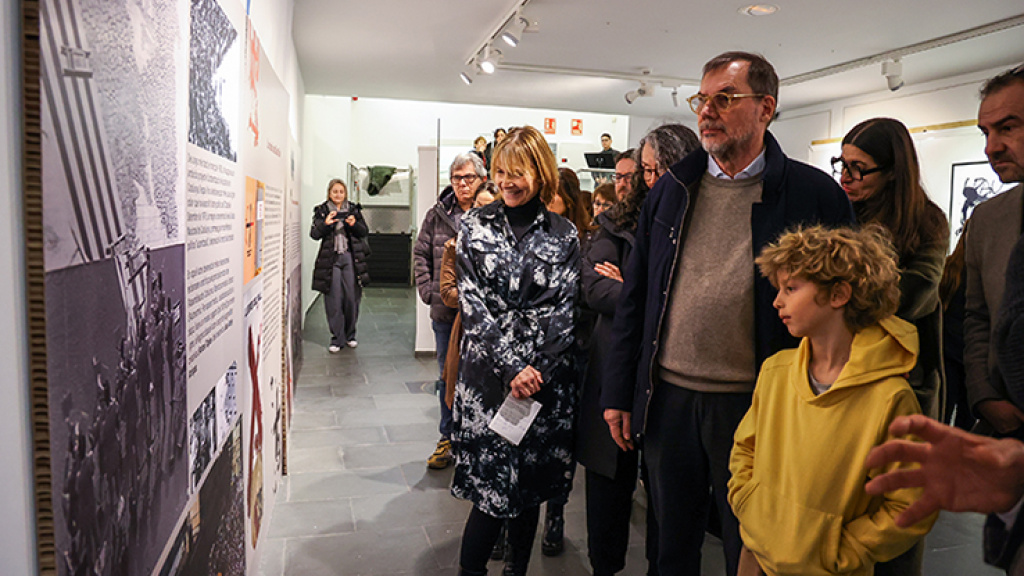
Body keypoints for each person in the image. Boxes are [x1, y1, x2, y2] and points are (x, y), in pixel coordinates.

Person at [601, 51, 855, 576]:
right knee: (670, 546)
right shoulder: (672, 190)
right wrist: (620, 393)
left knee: (755, 547)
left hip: (759, 404)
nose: (707, 111)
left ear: (766, 108)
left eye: (725, 98)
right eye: (701, 99)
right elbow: (637, 299)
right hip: (669, 400)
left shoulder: (814, 195)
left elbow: (847, 312)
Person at [730, 224, 936, 576]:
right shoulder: (775, 373)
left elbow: (912, 501)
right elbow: (744, 450)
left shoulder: (889, 399)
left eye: (791, 288)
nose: (776, 301)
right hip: (757, 558)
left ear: (839, 294)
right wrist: (752, 507)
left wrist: (847, 550)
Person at [452, 125, 581, 576]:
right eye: (501, 171)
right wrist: (512, 368)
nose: (507, 181)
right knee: (488, 495)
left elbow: (565, 313)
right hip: (489, 382)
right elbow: (472, 306)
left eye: (518, 172)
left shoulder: (564, 234)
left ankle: (516, 572)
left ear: (540, 172)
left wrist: (535, 371)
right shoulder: (473, 226)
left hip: (542, 387)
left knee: (528, 491)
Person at [578, 123, 699, 576]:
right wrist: (651, 295)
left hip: (667, 380)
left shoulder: (695, 221)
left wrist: (633, 289)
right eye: (646, 170)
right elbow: (592, 287)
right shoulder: (617, 219)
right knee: (607, 499)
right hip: (613, 373)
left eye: (659, 169)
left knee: (669, 504)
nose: (650, 180)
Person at [835, 118, 949, 425]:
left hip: (902, 371)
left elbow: (917, 292)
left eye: (858, 167)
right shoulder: (838, 212)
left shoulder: (927, 220)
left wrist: (840, 297)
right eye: (841, 164)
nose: (846, 177)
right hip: (840, 366)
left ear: (893, 172)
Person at [414, 153, 487, 470]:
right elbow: (420, 253)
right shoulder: (438, 214)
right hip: (446, 313)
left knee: (481, 380)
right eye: (457, 178)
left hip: (484, 317)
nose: (462, 184)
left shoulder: (491, 211)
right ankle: (448, 438)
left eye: (468, 177)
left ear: (480, 178)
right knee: (447, 377)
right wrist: (429, 292)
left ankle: (476, 442)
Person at [964, 64, 1024, 438]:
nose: (991, 147)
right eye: (986, 132)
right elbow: (975, 316)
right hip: (1004, 423)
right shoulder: (988, 218)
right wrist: (984, 397)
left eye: (1008, 127)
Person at [309, 179, 370, 352]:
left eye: (341, 192)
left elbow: (364, 231)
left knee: (352, 298)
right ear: (329, 193)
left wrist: (354, 224)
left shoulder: (353, 209)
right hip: (331, 261)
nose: (338, 195)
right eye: (335, 191)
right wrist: (326, 224)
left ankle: (350, 334)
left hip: (351, 259)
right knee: (334, 300)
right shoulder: (321, 211)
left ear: (345, 194)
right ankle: (337, 338)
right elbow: (314, 234)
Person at [939, 233, 976, 430]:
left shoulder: (949, 268)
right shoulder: (981, 273)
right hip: (970, 354)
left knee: (943, 413)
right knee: (966, 421)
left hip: (948, 350)